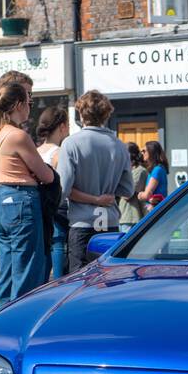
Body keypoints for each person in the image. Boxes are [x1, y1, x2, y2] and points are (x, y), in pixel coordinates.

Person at [0, 83, 54, 307]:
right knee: (27, 271)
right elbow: (47, 176)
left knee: (6, 273)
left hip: (1, 200)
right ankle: (18, 325)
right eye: (29, 102)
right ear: (18, 104)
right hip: (21, 199)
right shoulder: (18, 135)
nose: (30, 108)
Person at [59, 89, 134, 271]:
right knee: (107, 278)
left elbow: (63, 190)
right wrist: (103, 194)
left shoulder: (71, 143)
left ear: (81, 113)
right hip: (110, 223)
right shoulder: (119, 145)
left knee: (79, 280)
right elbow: (127, 190)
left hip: (82, 223)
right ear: (106, 114)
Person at [0, 71, 34, 313]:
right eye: (26, 96)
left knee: (2, 272)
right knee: (0, 273)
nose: (29, 103)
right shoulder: (3, 129)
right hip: (0, 207)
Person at [35, 105, 70, 280]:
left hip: (38, 207)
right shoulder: (60, 152)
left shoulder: (36, 151)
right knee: (58, 245)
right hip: (57, 209)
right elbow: (65, 183)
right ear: (62, 127)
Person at [118, 141, 148, 228]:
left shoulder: (139, 171)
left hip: (132, 218)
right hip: (123, 217)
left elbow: (127, 195)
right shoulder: (127, 171)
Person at [137, 140, 169, 216]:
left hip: (156, 211)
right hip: (156, 209)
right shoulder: (155, 169)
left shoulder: (157, 170)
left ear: (151, 152)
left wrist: (140, 195)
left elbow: (146, 195)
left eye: (144, 151)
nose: (142, 153)